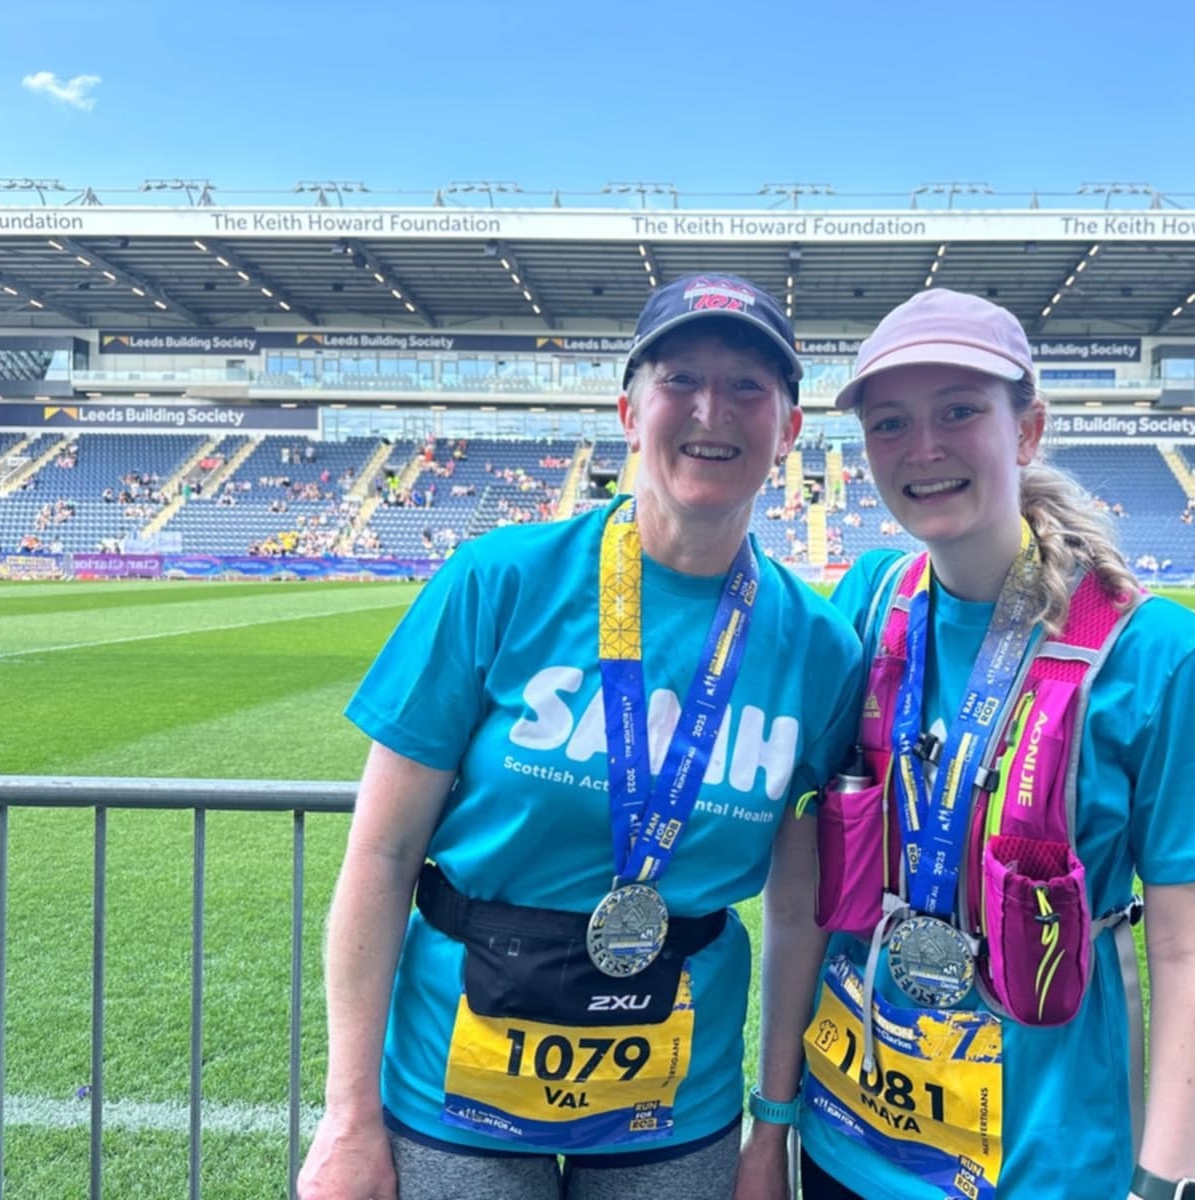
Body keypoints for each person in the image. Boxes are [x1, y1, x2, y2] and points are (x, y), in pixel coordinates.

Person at [297, 274, 859, 1200]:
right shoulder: (499, 580)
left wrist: (773, 1127)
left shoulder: (818, 648)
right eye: (680, 379)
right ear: (630, 412)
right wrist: (350, 1114)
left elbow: (799, 909)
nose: (712, 410)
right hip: (454, 1088)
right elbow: (383, 852)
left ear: (790, 429)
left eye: (750, 387)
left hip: (678, 1103)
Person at [797, 289, 1195, 1200]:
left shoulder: (1154, 653)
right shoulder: (866, 602)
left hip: (1045, 1167)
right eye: (890, 423)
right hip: (845, 1143)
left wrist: (1165, 1182)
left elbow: (1191, 949)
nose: (923, 448)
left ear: (1027, 429)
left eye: (959, 411)